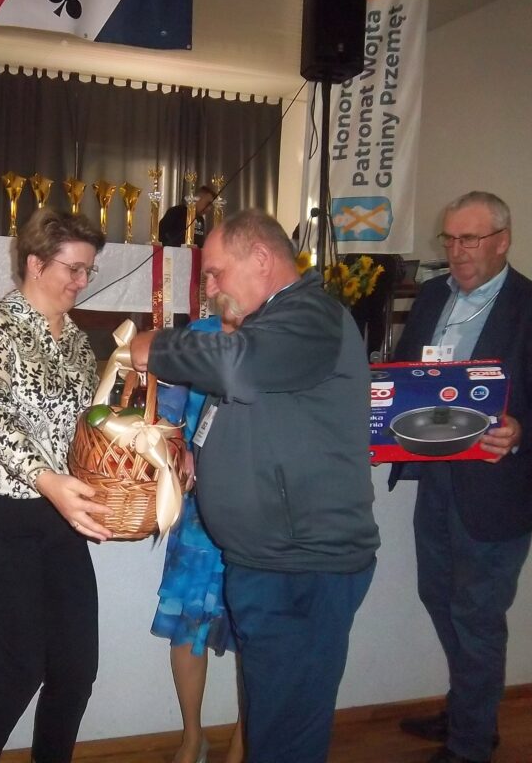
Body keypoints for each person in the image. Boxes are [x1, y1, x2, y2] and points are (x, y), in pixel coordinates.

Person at [130, 208, 380, 763]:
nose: (209, 287)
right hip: (269, 562)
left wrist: (158, 347)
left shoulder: (312, 317)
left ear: (262, 259)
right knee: (271, 725)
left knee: (285, 738)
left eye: (216, 273)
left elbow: (236, 367)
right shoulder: (270, 324)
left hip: (302, 568)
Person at [389, 191, 532, 763]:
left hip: (500, 488)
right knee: (438, 596)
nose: (457, 251)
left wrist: (524, 428)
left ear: (503, 241)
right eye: (450, 239)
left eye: (470, 239)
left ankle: (471, 743)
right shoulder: (433, 296)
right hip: (437, 477)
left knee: (477, 615)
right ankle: (469, 708)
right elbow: (406, 373)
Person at [0, 207, 112, 763]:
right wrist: (49, 481)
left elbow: (86, 426)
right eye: (74, 268)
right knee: (17, 669)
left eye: (88, 270)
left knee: (76, 668)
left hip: (55, 516)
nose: (82, 281)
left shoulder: (78, 342)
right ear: (37, 263)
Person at [151, 314, 245, 763]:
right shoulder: (196, 338)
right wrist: (177, 449)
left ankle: (245, 740)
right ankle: (193, 737)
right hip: (197, 512)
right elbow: (164, 419)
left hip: (257, 512)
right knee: (187, 626)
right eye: (212, 278)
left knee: (255, 628)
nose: (216, 283)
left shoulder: (277, 334)